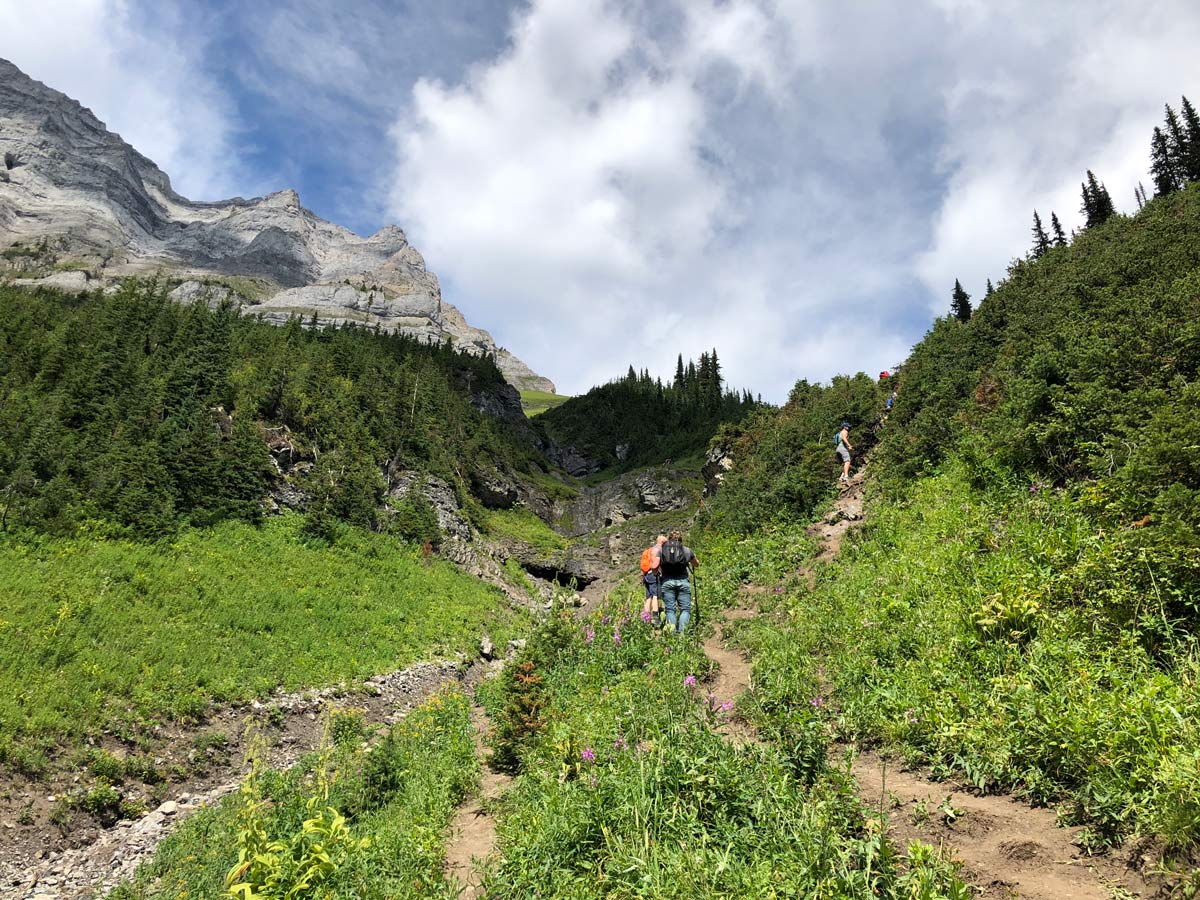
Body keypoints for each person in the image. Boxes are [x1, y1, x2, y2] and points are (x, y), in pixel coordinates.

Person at [659, 530, 699, 634]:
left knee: (670, 610)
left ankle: (672, 636)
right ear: (681, 539)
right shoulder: (686, 550)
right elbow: (696, 564)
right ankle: (682, 636)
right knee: (685, 609)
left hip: (667, 582)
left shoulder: (662, 550)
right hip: (683, 581)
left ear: (669, 539)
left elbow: (655, 567)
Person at [640, 534, 667, 626]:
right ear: (662, 542)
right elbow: (657, 565)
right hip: (654, 576)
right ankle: (656, 619)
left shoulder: (649, 550)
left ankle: (645, 619)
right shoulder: (658, 550)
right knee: (655, 596)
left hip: (646, 575)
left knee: (648, 597)